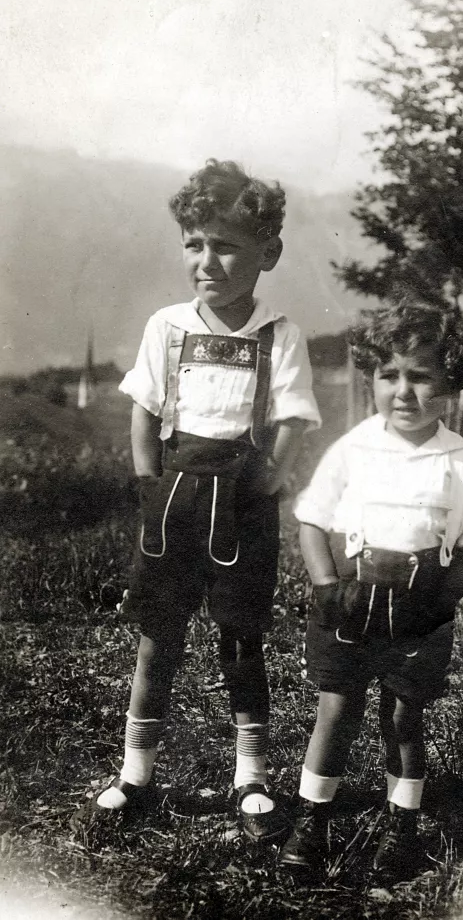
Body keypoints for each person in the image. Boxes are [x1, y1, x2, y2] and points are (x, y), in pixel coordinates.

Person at [71, 159, 320, 842]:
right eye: (194, 244)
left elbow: (296, 416)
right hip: (174, 498)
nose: (207, 261)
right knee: (159, 639)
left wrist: (270, 477)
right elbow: (143, 413)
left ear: (267, 252)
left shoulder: (278, 333)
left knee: (240, 638)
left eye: (226, 245)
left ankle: (252, 777)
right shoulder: (169, 327)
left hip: (241, 503)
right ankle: (135, 773)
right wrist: (149, 483)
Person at [279, 298, 463, 877]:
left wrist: (444, 599)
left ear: (449, 384)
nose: (403, 391)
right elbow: (310, 520)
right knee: (338, 707)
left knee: (405, 716)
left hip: (420, 603)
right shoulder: (353, 448)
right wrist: (328, 587)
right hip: (351, 596)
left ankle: (401, 822)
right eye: (389, 375)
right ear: (372, 378)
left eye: (420, 376)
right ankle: (312, 819)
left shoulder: (459, 460)